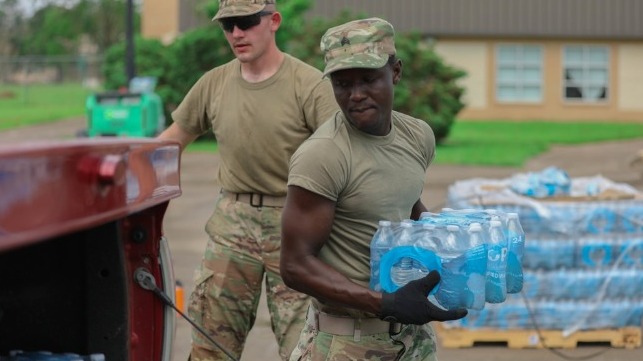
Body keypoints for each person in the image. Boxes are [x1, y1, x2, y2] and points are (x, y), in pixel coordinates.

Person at [157, 0, 339, 360]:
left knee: (304, 343)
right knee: (211, 337)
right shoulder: (214, 83)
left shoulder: (309, 84)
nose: (236, 33)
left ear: (273, 21)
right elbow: (169, 144)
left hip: (294, 222)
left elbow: (344, 157)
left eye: (246, 22)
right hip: (232, 223)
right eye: (228, 25)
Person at [280, 17, 468, 360]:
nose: (355, 95)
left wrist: (453, 249)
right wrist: (388, 303)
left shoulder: (417, 136)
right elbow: (295, 266)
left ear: (395, 72)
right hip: (344, 343)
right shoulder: (322, 155)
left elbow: (404, 203)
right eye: (342, 83)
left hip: (412, 341)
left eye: (368, 79)